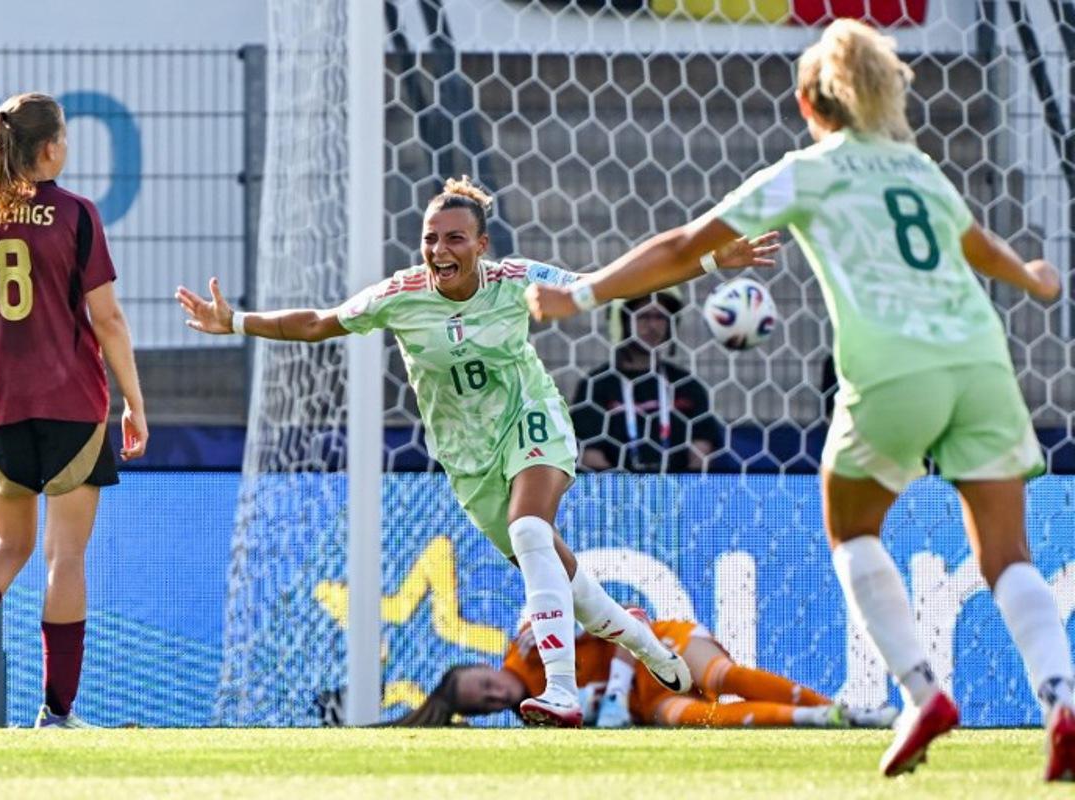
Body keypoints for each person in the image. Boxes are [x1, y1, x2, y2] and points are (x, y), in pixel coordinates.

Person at [525, 19, 1075, 780]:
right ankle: (1062, 702)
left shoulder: (810, 169)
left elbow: (685, 244)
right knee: (1008, 555)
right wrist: (1037, 281)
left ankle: (923, 694)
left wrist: (576, 294)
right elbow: (981, 248)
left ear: (807, 103)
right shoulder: (918, 169)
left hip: (893, 367)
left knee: (851, 528)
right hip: (981, 362)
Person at [177, 175, 774, 726]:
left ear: (481, 244)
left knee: (529, 527)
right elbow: (317, 322)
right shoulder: (400, 294)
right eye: (430, 239)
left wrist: (705, 261)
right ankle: (641, 640)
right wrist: (236, 322)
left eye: (455, 238)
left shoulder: (516, 281)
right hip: (467, 459)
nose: (440, 250)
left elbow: (609, 285)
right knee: (560, 577)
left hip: (531, 419)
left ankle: (561, 690)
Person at [0, 92, 148, 730]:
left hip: (0, 409)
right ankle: (55, 712)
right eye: (66, 139)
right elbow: (106, 317)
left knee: (6, 545)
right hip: (73, 407)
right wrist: (134, 402)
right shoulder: (76, 214)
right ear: (49, 147)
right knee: (64, 557)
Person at [394, 609, 895, 730]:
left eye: (483, 683)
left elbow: (631, 618)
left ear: (485, 664)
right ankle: (825, 720)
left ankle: (841, 706)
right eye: (483, 704)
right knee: (700, 720)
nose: (493, 694)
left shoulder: (530, 641)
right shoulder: (539, 715)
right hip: (647, 701)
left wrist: (609, 691)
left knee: (722, 676)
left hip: (661, 648)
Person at [572, 291, 721, 472]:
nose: (652, 326)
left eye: (660, 317)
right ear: (623, 321)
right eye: (643, 316)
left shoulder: (687, 386)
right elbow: (590, 455)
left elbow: (701, 454)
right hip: (617, 495)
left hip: (678, 494)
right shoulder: (596, 386)